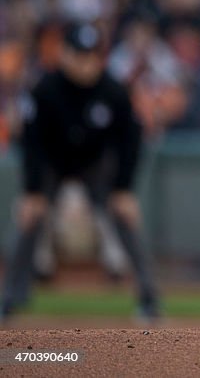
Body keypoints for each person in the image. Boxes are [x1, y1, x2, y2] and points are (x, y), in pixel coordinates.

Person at [1, 22, 160, 321]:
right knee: (29, 217)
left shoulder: (113, 91)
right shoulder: (46, 89)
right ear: (65, 54)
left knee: (124, 216)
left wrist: (124, 188)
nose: (86, 63)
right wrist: (32, 191)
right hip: (52, 162)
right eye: (79, 54)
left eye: (92, 55)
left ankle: (149, 298)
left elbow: (131, 140)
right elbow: (32, 143)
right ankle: (10, 297)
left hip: (94, 163)